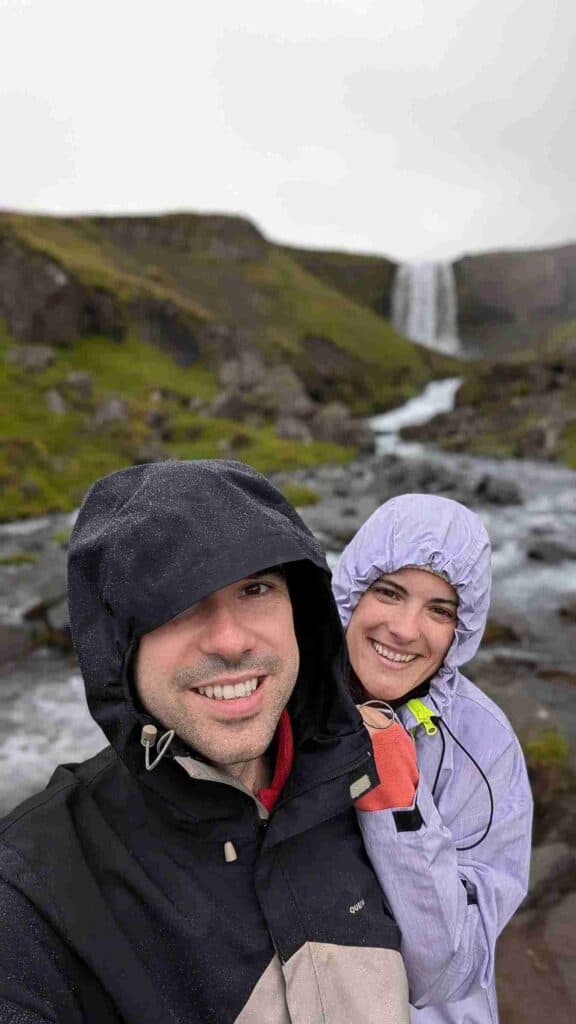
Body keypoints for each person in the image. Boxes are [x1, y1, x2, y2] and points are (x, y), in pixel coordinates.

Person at [0, 459, 410, 1024]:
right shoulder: (33, 890)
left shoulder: (375, 786)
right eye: (178, 602)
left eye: (257, 588)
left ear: (302, 610)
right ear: (118, 644)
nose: (230, 639)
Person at [332, 493, 533, 1024]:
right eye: (388, 592)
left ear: (460, 631)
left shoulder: (484, 747)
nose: (404, 628)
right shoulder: (277, 699)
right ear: (351, 591)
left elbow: (449, 971)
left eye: (439, 610)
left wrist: (399, 807)